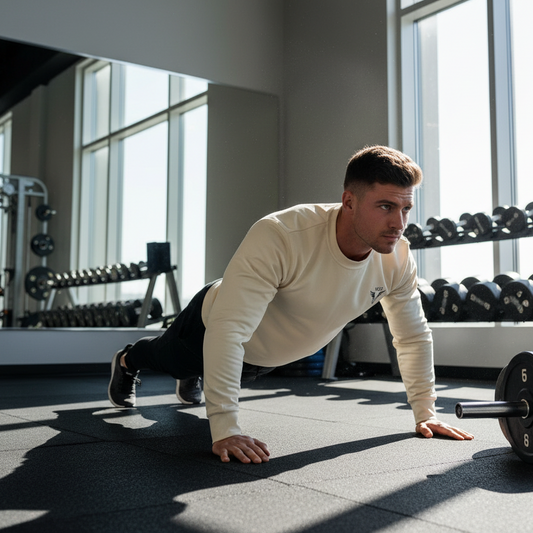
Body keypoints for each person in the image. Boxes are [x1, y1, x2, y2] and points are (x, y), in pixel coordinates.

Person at [108, 145, 474, 464]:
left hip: (262, 357)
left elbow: (411, 336)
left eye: (406, 208)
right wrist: (225, 428)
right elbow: (229, 329)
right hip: (209, 326)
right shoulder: (282, 234)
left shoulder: (397, 258)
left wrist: (426, 412)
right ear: (349, 201)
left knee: (222, 365)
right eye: (385, 206)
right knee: (165, 358)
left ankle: (199, 372)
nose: (399, 223)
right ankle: (127, 360)